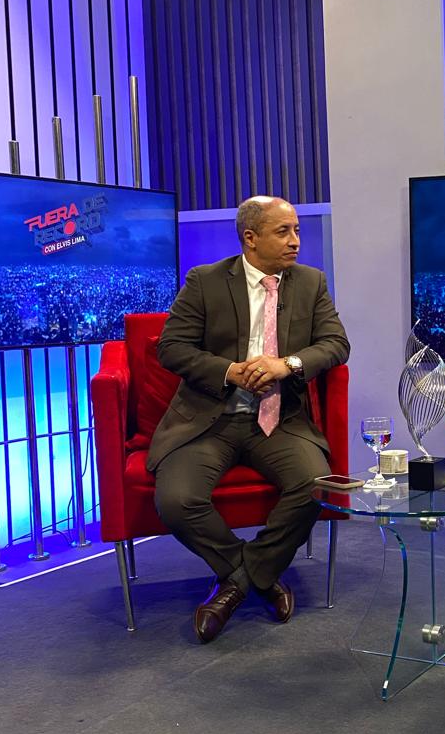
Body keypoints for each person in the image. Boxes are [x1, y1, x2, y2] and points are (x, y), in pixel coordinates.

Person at [148, 196, 350, 644]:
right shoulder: (206, 281)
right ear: (250, 238)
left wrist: (287, 364)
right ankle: (259, 575)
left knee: (315, 484)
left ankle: (236, 584)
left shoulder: (311, 282)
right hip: (211, 419)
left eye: (297, 230)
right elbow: (172, 347)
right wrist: (229, 371)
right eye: (283, 232)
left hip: (280, 420)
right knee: (177, 500)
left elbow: (336, 344)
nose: (295, 241)